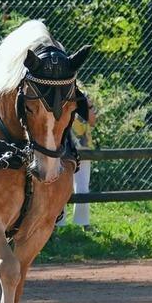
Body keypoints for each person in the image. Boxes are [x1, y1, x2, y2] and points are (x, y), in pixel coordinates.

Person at [57, 96, 96, 230]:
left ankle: (82, 222)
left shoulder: (83, 97)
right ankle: (58, 223)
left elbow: (92, 122)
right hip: (63, 148)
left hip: (82, 148)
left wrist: (89, 106)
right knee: (61, 186)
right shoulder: (58, 97)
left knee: (82, 187)